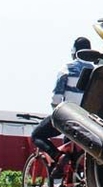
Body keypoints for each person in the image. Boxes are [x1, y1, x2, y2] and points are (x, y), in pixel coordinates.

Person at [30, 37, 94, 169]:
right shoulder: (96, 71)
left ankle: (57, 156)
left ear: (74, 51)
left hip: (68, 116)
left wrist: (55, 114)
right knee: (72, 144)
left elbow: (56, 98)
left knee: (36, 135)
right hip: (88, 120)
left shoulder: (67, 69)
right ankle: (71, 184)